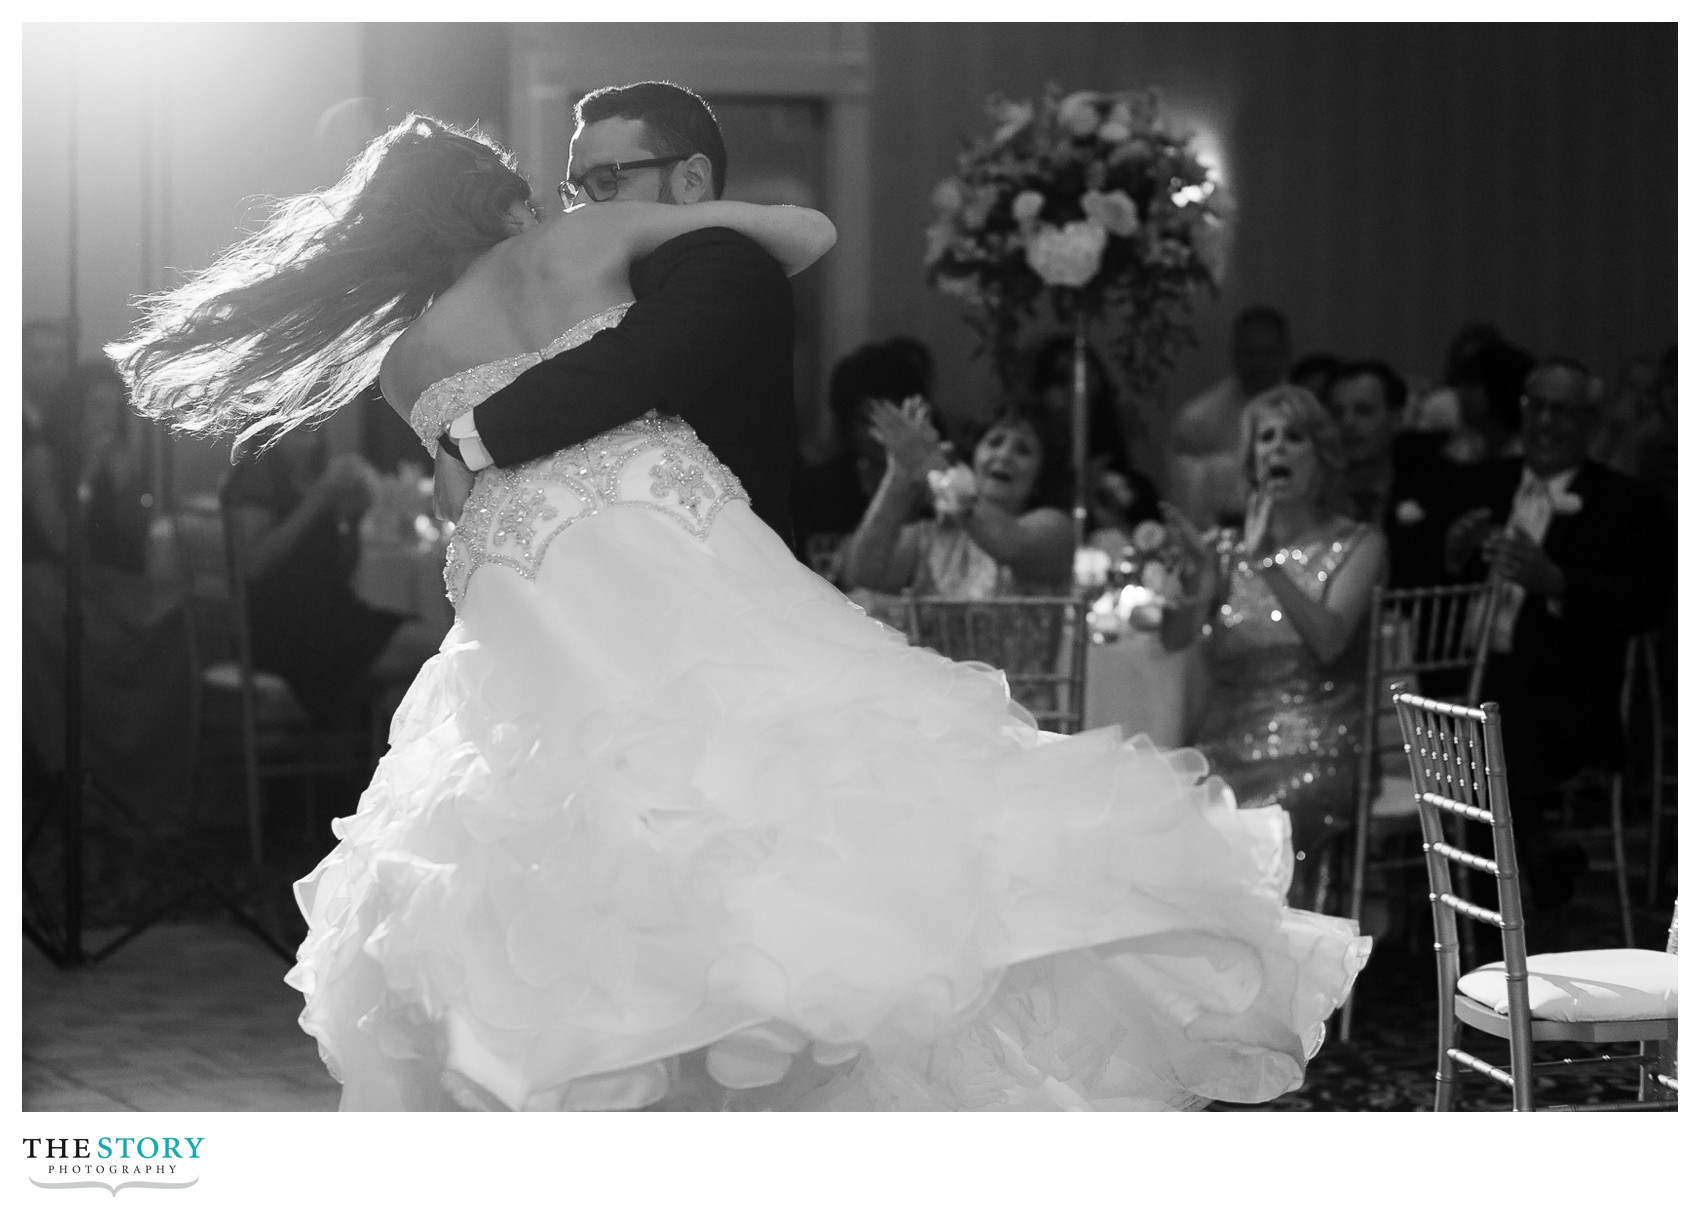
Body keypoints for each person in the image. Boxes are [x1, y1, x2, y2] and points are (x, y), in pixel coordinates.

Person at [111, 109, 1366, 1113]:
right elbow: (798, 230)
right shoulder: (573, 248)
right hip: (662, 559)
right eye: (540, 186)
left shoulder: (397, 363)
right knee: (798, 788)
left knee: (595, 846)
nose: (566, 200)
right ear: (499, 205)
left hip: (529, 619)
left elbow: (465, 487)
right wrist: (659, 212)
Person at [429, 81, 800, 548]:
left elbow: (634, 363)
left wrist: (468, 437)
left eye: (608, 181)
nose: (583, 208)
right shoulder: (610, 276)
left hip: (728, 577)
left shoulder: (728, 261)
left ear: (690, 180)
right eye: (574, 189)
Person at [1441, 357, 1673, 913]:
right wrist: (1451, 557)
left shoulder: (1627, 504)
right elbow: (1420, 575)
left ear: (1591, 423)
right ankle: (1532, 849)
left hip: (1568, 708)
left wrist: (1557, 582)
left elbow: (1644, 604)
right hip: (1461, 692)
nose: (1545, 423)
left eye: (1562, 411)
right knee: (1474, 705)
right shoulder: (1484, 484)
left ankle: (1489, 906)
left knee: (1490, 698)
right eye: (1535, 407)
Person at [1162, 386, 1387, 909]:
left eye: (1294, 437)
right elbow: (1175, 639)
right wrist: (1196, 577)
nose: (1277, 449)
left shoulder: (1359, 543)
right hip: (1222, 745)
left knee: (1248, 831)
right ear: (1252, 460)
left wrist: (1267, 563)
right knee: (1156, 819)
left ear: (1322, 458)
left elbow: (1330, 642)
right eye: (1266, 438)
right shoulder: (1222, 549)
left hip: (1317, 746)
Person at [842, 400, 1074, 599]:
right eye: (994, 442)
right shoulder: (929, 537)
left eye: (1023, 450)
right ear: (973, 455)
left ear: (1042, 475)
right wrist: (899, 477)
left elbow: (1011, 545)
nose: (1003, 456)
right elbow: (863, 576)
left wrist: (935, 470)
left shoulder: (1055, 529)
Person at [790, 338, 932, 583]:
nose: (884, 434)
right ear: (847, 424)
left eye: (895, 420)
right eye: (869, 421)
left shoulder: (939, 485)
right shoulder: (816, 489)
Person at [1325, 359, 1455, 588]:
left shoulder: (1434, 492)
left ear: (1396, 418)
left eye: (1363, 411)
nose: (1347, 423)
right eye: (1337, 413)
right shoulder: (1313, 495)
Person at [1166, 305, 1292, 528]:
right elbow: (1182, 497)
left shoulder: (1305, 414)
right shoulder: (1198, 418)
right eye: (1249, 353)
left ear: (1285, 354)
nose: (1258, 363)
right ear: (1234, 352)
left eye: (1268, 353)